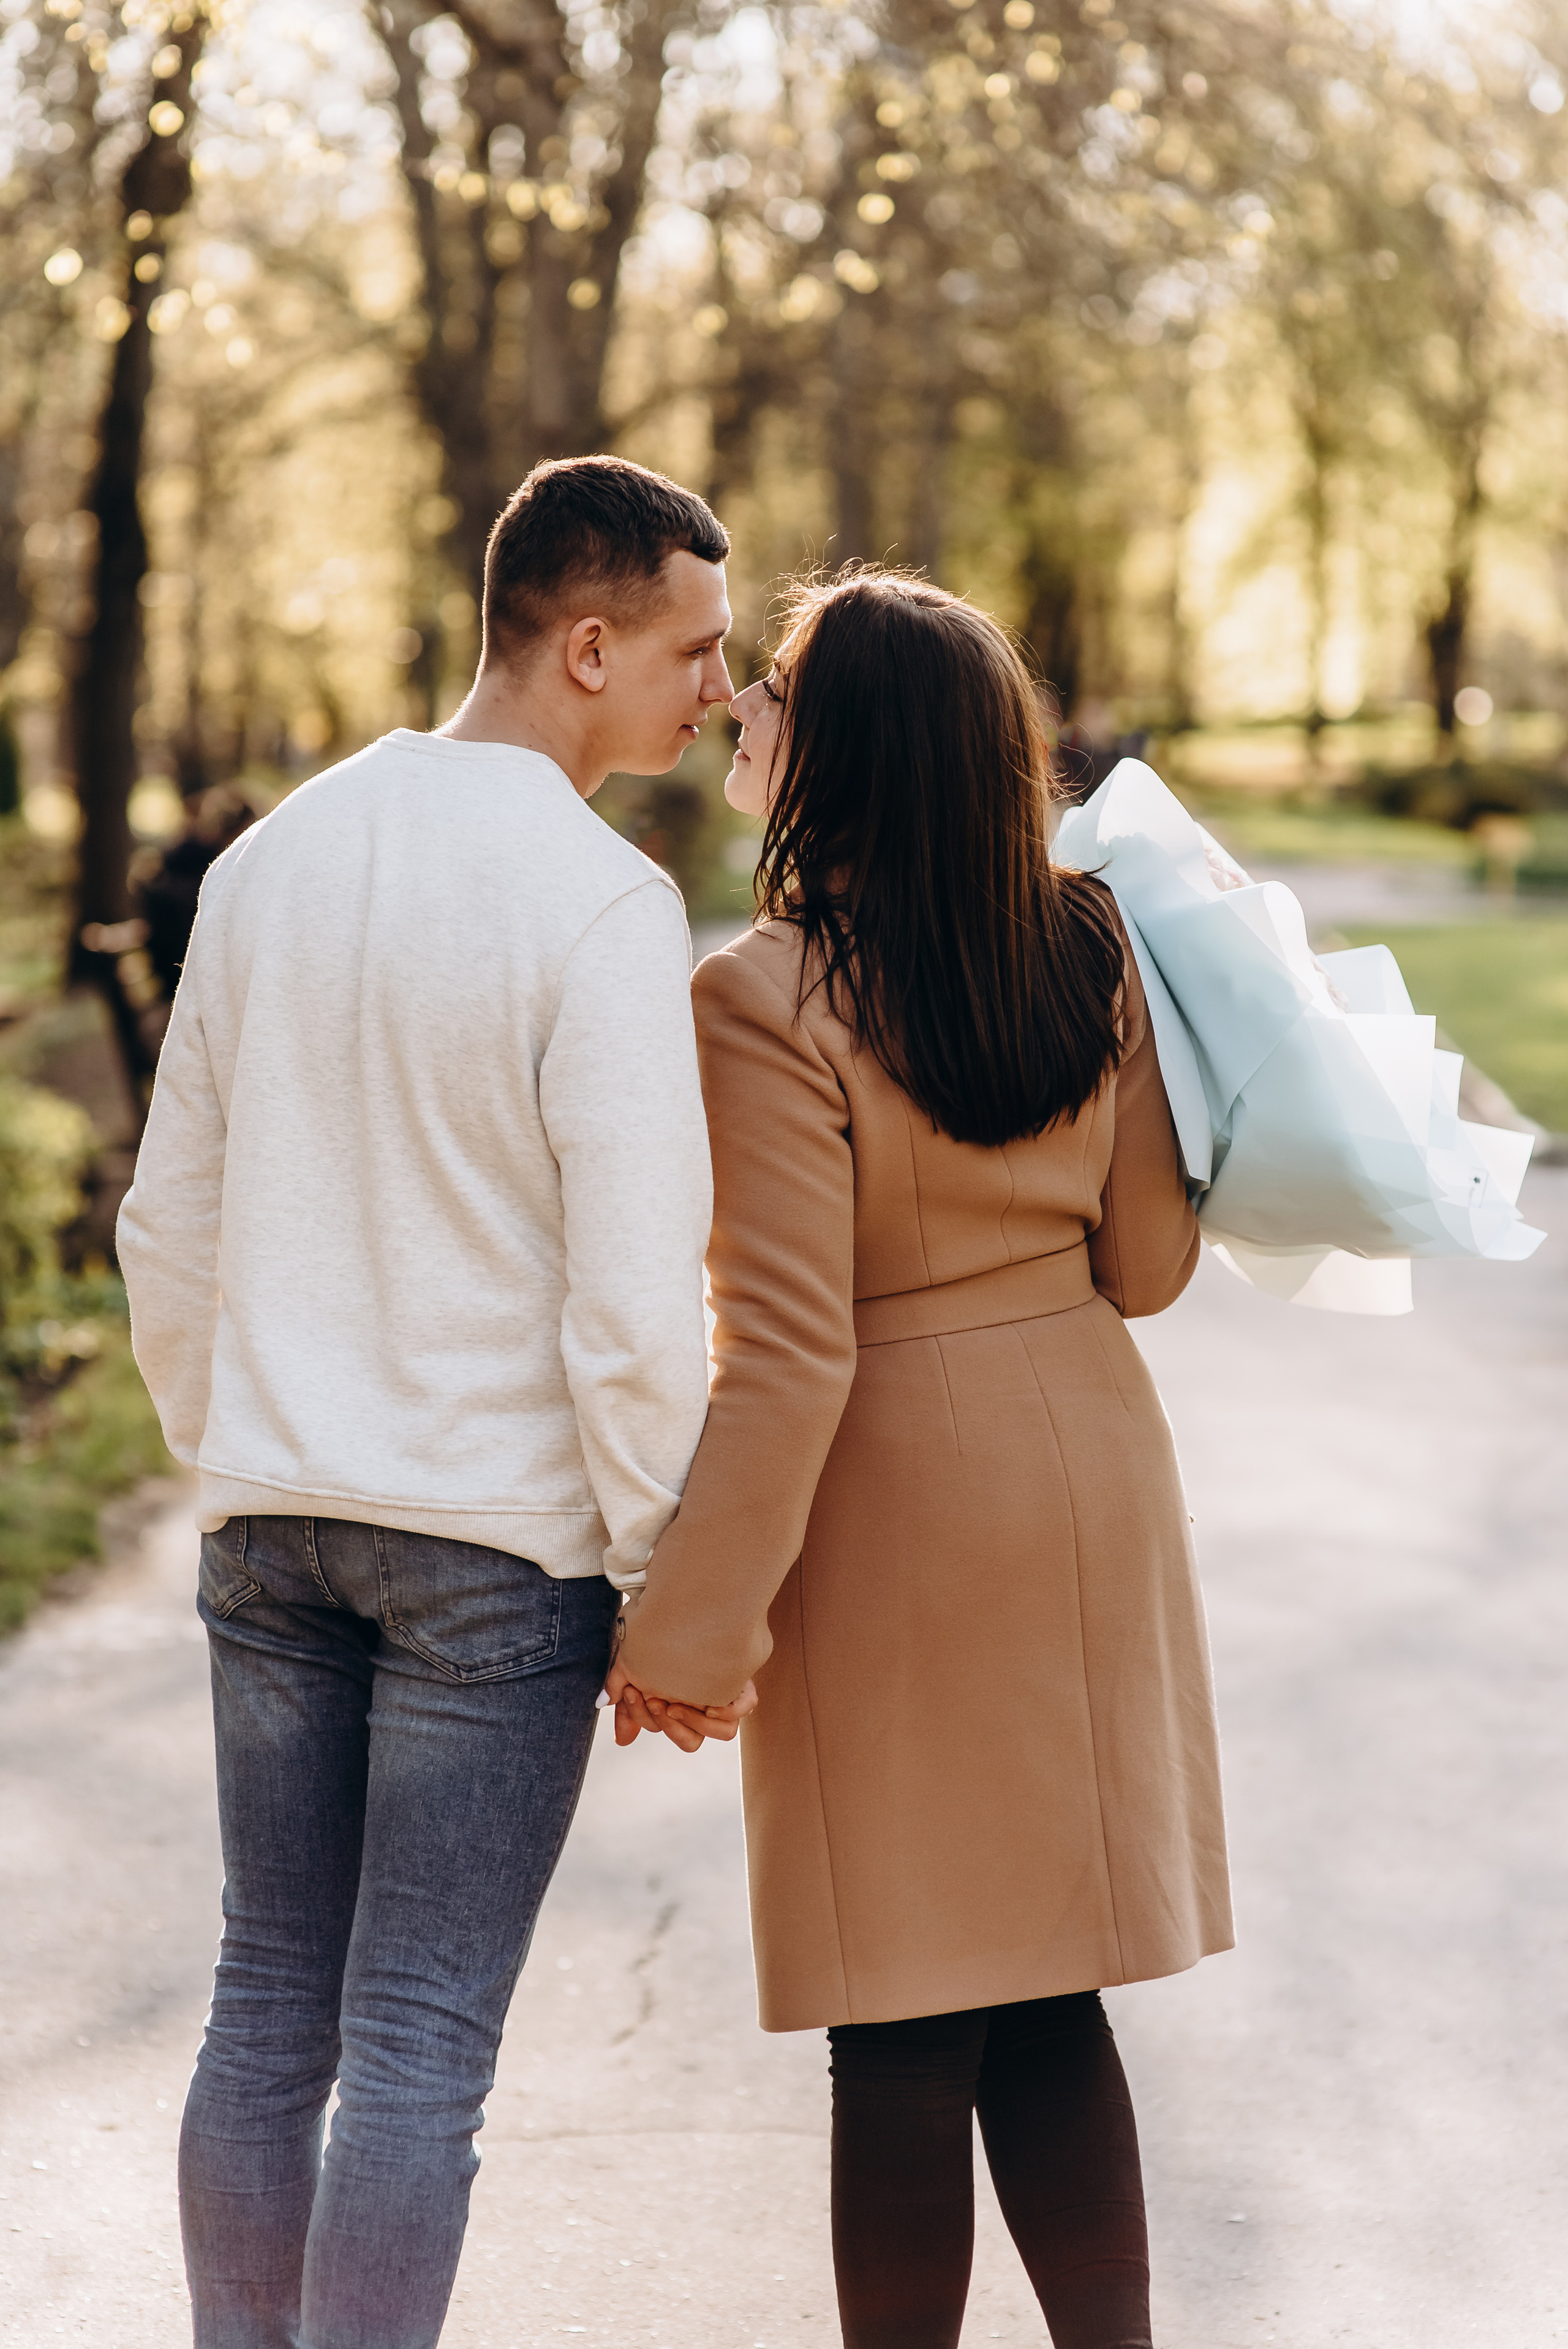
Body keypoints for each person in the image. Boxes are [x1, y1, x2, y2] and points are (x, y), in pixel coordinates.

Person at [118, 454, 754, 2349]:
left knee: (264, 2013)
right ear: (588, 646)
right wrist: (656, 1569)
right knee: (413, 2045)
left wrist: (235, 1445)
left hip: (274, 1524)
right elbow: (635, 1300)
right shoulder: (603, 904)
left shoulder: (273, 859)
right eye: (697, 650)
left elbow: (168, 1219)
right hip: (494, 1557)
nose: (720, 690)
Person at [608, 571, 1234, 2349]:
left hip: (897, 1507)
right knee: (1044, 1991)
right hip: (1089, 1470)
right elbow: (1149, 1266)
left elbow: (787, 1352)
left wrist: (686, 1633)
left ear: (852, 751)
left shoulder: (763, 995)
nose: (744, 710)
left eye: (776, 692)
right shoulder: (1093, 942)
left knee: (895, 2007)